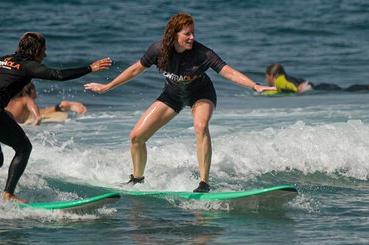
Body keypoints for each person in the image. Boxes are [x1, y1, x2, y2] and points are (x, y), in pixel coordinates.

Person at [84, 12, 276, 193]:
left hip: (201, 93)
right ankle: (137, 179)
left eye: (193, 33)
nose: (192, 37)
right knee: (136, 136)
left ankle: (204, 183)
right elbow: (135, 70)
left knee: (200, 127)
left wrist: (255, 85)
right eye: (187, 34)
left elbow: (227, 71)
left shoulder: (203, 54)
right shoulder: (158, 50)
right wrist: (107, 87)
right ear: (174, 35)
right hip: (172, 95)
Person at [0, 31, 112, 202]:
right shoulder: (28, 65)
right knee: (24, 148)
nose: (45, 54)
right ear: (36, 51)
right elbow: (59, 75)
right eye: (44, 50)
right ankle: (8, 194)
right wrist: (89, 68)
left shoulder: (1, 61)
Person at [264, 63, 369, 94]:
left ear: (271, 75)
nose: (266, 79)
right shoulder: (286, 77)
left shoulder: (280, 79)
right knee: (344, 90)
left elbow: (288, 86)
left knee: (345, 91)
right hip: (318, 86)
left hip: (317, 88)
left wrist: (297, 89)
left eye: (266, 76)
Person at [5, 81, 87, 125]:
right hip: (8, 122)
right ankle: (59, 107)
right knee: (32, 115)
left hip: (2, 119)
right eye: (34, 93)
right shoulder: (26, 99)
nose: (36, 97)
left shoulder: (9, 101)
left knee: (29, 115)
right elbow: (38, 117)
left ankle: (59, 107)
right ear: (26, 93)